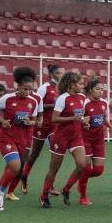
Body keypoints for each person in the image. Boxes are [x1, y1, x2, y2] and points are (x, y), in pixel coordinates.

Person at [0, 67, 39, 211]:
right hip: (6, 138)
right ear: (18, 86)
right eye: (24, 89)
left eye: (30, 89)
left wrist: (30, 122)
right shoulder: (7, 98)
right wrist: (2, 120)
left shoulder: (33, 102)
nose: (27, 92)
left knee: (16, 168)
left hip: (22, 139)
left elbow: (35, 120)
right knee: (16, 166)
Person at [39, 71, 88, 208]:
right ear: (72, 85)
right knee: (54, 168)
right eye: (80, 84)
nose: (82, 86)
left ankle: (66, 189)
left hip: (76, 137)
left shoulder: (82, 98)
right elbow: (55, 119)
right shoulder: (62, 98)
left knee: (82, 165)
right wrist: (72, 118)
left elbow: (79, 116)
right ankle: (43, 196)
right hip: (60, 137)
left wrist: (84, 121)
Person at [21, 64, 64, 195]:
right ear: (51, 75)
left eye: (62, 73)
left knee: (56, 155)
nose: (60, 75)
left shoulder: (62, 89)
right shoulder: (44, 88)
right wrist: (53, 105)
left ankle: (50, 185)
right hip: (41, 125)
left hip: (54, 126)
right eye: (58, 73)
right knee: (34, 154)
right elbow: (36, 104)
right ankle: (23, 178)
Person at [78, 77, 112, 205]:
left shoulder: (104, 103)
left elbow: (104, 118)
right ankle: (83, 196)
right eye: (97, 89)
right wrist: (83, 122)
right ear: (90, 90)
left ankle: (80, 178)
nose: (100, 91)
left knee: (98, 171)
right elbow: (79, 119)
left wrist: (109, 125)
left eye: (102, 89)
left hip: (99, 140)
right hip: (85, 139)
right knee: (86, 169)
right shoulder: (84, 103)